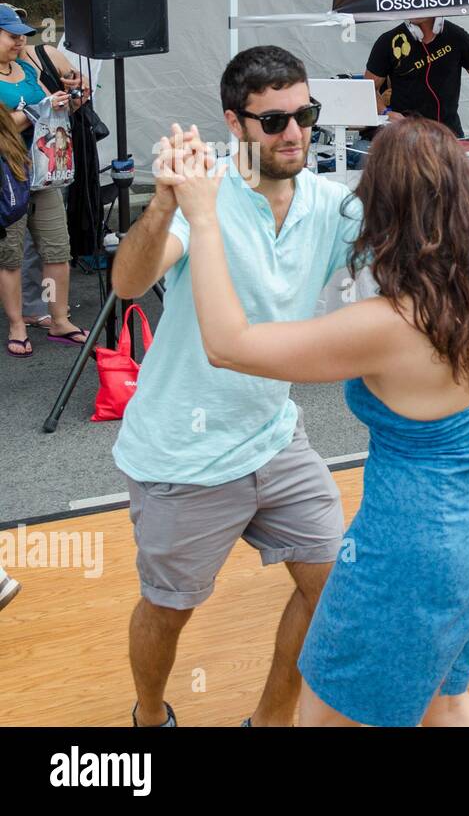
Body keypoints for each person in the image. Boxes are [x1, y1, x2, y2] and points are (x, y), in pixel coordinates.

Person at [159, 109, 469, 727]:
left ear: (382, 207)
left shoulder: (386, 326)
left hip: (410, 549)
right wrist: (455, 173)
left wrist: (201, 215)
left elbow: (228, 344)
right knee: (444, 700)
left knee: (324, 718)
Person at [111, 46, 357, 728]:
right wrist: (163, 205)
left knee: (332, 587)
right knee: (170, 607)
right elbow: (129, 282)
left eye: (304, 114)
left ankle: (271, 720)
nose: (295, 132)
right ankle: (151, 714)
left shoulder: (329, 202)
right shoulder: (204, 196)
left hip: (275, 438)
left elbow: (410, 245)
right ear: (235, 122)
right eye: (274, 120)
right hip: (183, 455)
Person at [0, 4, 89, 359]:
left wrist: (72, 99)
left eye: (22, 35)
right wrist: (42, 108)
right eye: (11, 35)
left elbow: (53, 116)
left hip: (43, 173)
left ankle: (58, 318)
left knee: (56, 251)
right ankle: (18, 324)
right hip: (8, 176)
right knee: (10, 259)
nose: (20, 42)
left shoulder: (25, 68)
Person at [364, 17, 469, 139]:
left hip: (449, 134)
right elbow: (366, 89)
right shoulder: (389, 41)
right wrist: (385, 112)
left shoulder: (457, 36)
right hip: (407, 136)